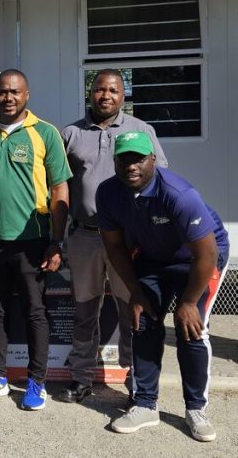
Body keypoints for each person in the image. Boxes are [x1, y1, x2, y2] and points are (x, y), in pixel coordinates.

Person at [98, 131, 229, 442]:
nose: (131, 165)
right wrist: (136, 292)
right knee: (141, 321)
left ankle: (196, 409)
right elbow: (115, 246)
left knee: (191, 329)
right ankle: (145, 404)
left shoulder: (178, 194)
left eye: (138, 158)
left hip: (199, 260)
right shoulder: (107, 193)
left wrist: (187, 302)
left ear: (153, 160)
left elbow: (207, 253)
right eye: (124, 158)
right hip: (154, 258)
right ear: (115, 161)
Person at [57, 69, 168, 404]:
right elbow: (60, 187)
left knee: (131, 308)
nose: (105, 96)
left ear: (123, 95)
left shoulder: (141, 131)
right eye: (99, 90)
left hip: (128, 240)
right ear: (90, 93)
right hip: (85, 238)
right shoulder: (71, 133)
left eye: (113, 90)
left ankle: (137, 381)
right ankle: (81, 377)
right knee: (84, 311)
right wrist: (58, 238)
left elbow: (159, 181)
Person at [0, 69, 71, 411]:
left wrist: (57, 242)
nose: (8, 97)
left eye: (14, 91)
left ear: (27, 95)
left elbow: (60, 189)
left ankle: (36, 382)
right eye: (2, 92)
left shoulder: (45, 134)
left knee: (34, 312)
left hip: (33, 241)